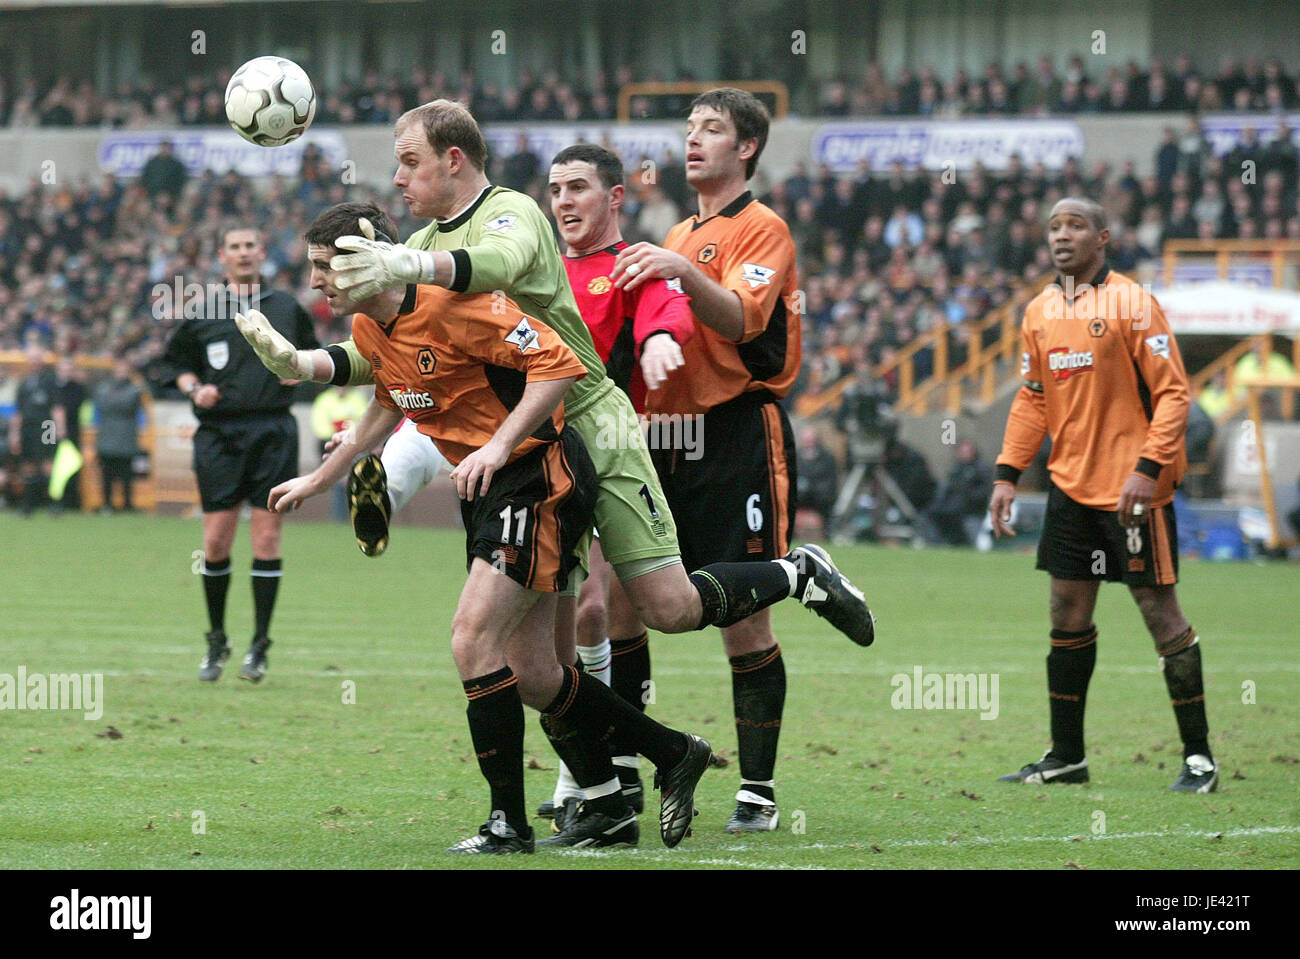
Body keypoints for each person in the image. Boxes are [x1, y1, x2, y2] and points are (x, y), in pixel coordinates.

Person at [235, 102, 872, 837]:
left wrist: (408, 267)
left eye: (410, 162)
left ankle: (796, 575)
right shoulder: (415, 245)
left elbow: (500, 273)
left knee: (665, 606)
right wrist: (305, 368)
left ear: (454, 160)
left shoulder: (508, 213)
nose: (399, 176)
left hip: (588, 419)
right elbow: (395, 349)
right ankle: (607, 792)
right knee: (547, 654)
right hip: (530, 443)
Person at [265, 202, 711, 854]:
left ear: (365, 259)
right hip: (490, 490)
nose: (316, 283)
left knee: (471, 638)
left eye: (325, 267)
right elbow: (385, 406)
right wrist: (319, 478)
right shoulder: (372, 326)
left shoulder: (452, 304)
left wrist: (499, 445)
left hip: (539, 477)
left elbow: (559, 363)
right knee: (531, 669)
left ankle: (508, 824)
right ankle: (674, 751)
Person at [608, 87, 827, 832]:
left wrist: (679, 268)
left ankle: (758, 793)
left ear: (747, 149)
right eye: (690, 128)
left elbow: (740, 317)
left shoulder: (761, 227)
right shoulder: (678, 228)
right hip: (665, 436)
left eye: (713, 130)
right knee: (623, 599)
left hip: (736, 431)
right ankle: (622, 776)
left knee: (746, 623)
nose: (693, 140)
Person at [988, 196, 1217, 793]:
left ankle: (1199, 758)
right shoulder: (1039, 310)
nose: (1061, 235)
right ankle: (1067, 756)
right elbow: (1033, 396)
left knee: (1157, 610)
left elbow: (1174, 394)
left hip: (1133, 490)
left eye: (1076, 225)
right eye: (1054, 226)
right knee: (1066, 610)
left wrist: (1148, 467)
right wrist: (1007, 472)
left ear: (1104, 237)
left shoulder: (1134, 303)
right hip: (1070, 486)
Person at [536, 143, 696, 832]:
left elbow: (669, 306)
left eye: (579, 187)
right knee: (575, 617)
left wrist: (662, 337)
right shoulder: (535, 269)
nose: (565, 201)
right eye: (555, 189)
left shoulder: (631, 264)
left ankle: (589, 774)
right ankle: (605, 776)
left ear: (615, 198)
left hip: (616, 452)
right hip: (545, 457)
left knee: (607, 608)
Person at [158, 223, 320, 683]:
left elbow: (316, 353)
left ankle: (260, 646)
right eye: (235, 247)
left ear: (262, 252)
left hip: (273, 432)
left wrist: (302, 371)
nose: (244, 252)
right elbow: (174, 366)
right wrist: (195, 389)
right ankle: (216, 640)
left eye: (251, 245)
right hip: (219, 436)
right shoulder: (205, 311)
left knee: (266, 540)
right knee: (215, 543)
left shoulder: (286, 307)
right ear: (222, 256)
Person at [10, 347, 66, 516]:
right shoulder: (24, 383)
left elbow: (57, 407)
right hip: (28, 427)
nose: (34, 362)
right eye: (31, 359)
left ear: (41, 361)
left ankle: (54, 504)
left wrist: (60, 427)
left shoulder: (50, 381)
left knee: (48, 464)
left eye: (37, 359)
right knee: (28, 466)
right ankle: (28, 505)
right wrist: (15, 432)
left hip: (46, 426)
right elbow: (18, 411)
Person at [92, 357, 143, 512]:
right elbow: (103, 405)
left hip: (126, 437)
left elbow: (126, 403)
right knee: (107, 474)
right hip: (107, 436)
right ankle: (107, 504)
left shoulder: (133, 389)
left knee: (127, 474)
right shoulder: (103, 387)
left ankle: (127, 504)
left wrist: (114, 401)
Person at [925, 438, 990, 545]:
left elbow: (984, 491)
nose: (964, 454)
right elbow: (947, 488)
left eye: (967, 451)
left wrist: (967, 496)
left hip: (973, 511)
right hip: (954, 510)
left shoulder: (981, 469)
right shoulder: (956, 469)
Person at [53, 358, 88, 511]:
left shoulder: (78, 388)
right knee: (50, 462)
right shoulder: (51, 385)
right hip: (49, 429)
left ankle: (70, 500)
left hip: (72, 430)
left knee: (71, 464)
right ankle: (52, 499)